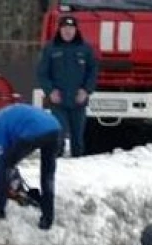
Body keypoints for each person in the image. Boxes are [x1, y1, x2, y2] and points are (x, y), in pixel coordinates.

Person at [0, 103, 61, 230]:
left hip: (34, 130)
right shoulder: (0, 116)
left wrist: (1, 172)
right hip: (54, 127)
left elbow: (3, 159)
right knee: (47, 175)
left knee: (5, 166)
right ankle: (48, 218)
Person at [36, 15, 97, 158]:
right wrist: (50, 91)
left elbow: (92, 71)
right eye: (64, 28)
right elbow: (42, 73)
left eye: (71, 28)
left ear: (76, 30)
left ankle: (78, 163)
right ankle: (57, 161)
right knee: (59, 133)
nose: (68, 31)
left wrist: (86, 90)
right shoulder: (50, 48)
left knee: (78, 138)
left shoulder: (85, 49)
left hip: (78, 100)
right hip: (58, 101)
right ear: (60, 30)